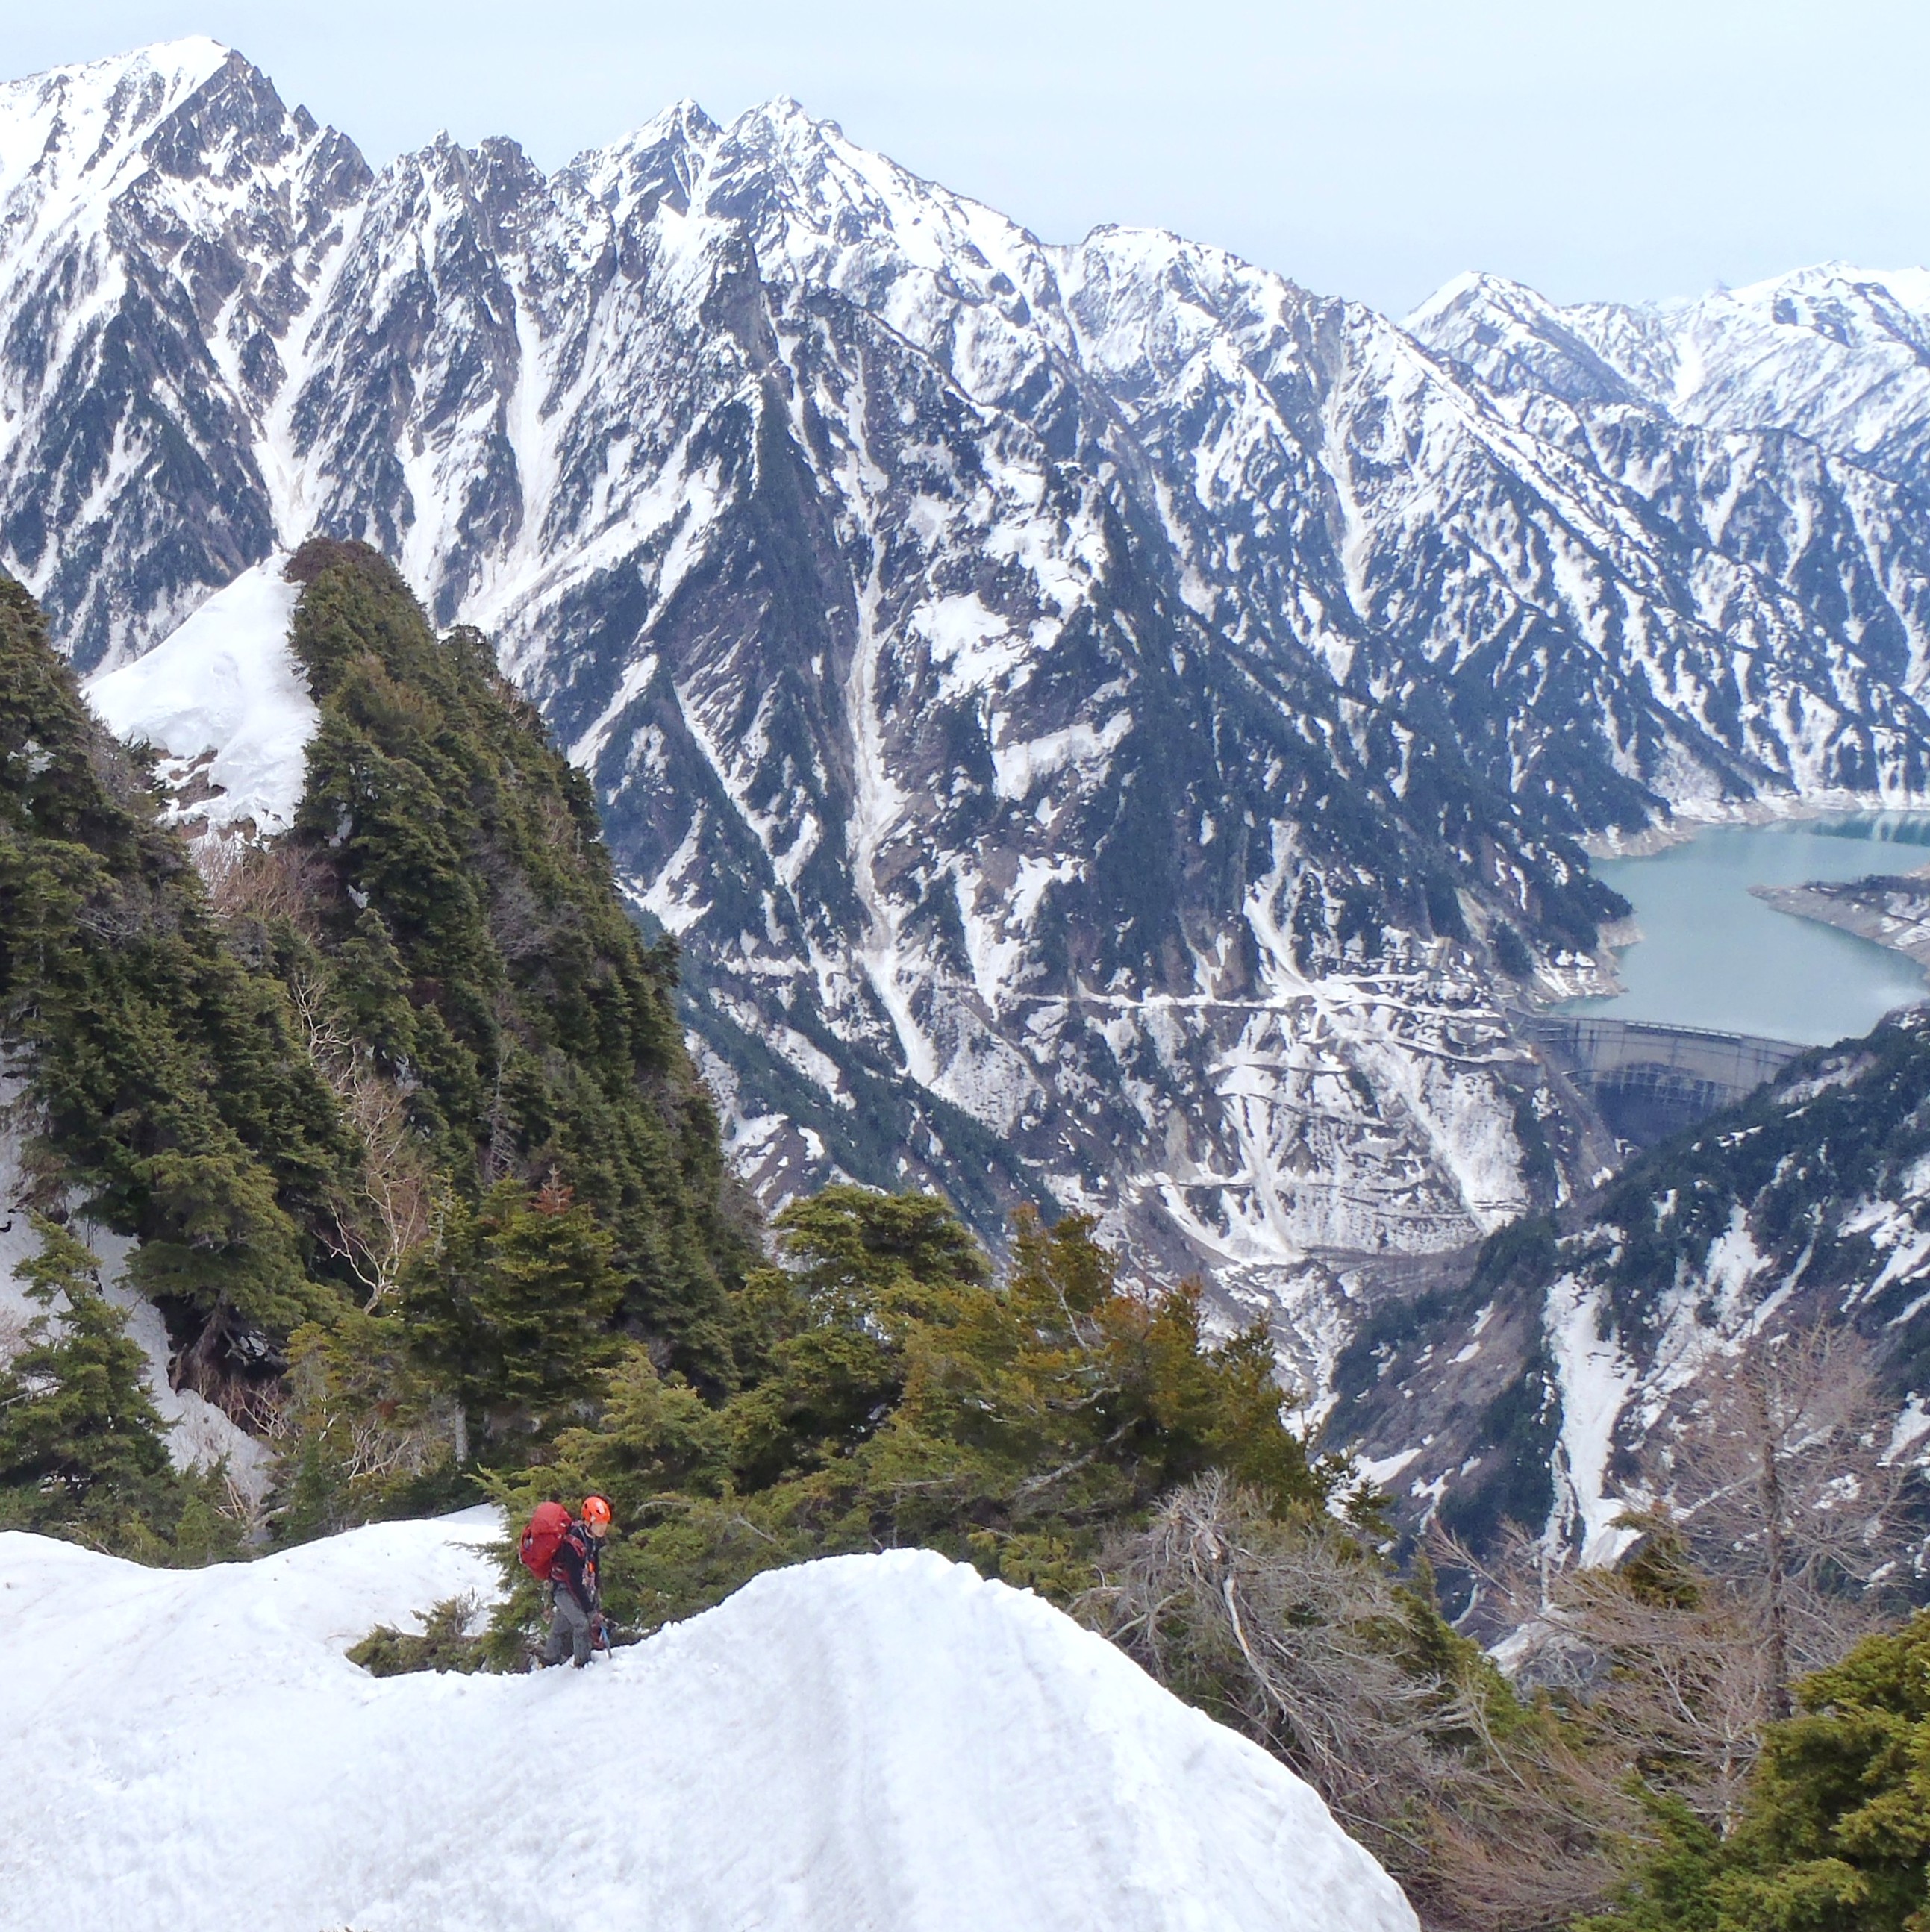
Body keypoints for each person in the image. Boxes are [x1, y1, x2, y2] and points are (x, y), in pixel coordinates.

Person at [541, 1493, 613, 1668]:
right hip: (562, 1589)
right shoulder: (573, 1543)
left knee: (561, 1625)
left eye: (604, 1523)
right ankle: (583, 1665)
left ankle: (549, 1660)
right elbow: (573, 1581)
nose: (603, 1528)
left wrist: (596, 1591)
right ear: (589, 1522)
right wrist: (590, 1609)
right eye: (600, 1524)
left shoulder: (593, 1539)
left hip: (573, 1588)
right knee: (581, 1624)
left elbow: (595, 1566)